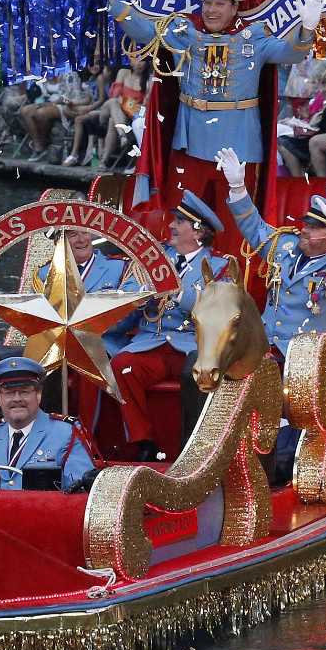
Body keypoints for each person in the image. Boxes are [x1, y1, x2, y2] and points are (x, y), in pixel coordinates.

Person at [104, 0, 325, 214]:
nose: (211, 10)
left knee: (235, 223)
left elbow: (291, 53)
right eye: (208, 2)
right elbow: (146, 33)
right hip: (191, 141)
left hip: (239, 146)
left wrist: (306, 29)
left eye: (220, 3)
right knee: (182, 216)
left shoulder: (253, 37)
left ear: (234, 7)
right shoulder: (185, 31)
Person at [100, 191, 228, 459]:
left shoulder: (220, 266)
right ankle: (143, 442)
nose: (171, 225)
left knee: (199, 375)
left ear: (198, 232)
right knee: (122, 366)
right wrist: (123, 308)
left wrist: (178, 292)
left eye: (179, 222)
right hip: (153, 343)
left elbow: (218, 310)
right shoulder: (152, 259)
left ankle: (196, 450)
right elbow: (129, 308)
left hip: (194, 346)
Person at [217, 151, 326, 352]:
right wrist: (238, 188)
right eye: (306, 224)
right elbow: (255, 228)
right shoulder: (286, 247)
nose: (304, 230)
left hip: (307, 359)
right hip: (262, 348)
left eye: (314, 228)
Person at [0, 355, 97, 491]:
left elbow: (81, 491)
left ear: (38, 395)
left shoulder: (65, 432)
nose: (17, 399)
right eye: (9, 393)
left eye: (24, 392)